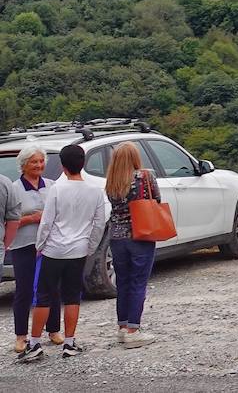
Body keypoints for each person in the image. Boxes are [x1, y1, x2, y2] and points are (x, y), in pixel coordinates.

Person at [17, 144, 107, 363]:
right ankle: (69, 342)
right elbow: (99, 224)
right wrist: (90, 247)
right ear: (83, 164)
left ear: (63, 166)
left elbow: (47, 222)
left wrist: (40, 246)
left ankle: (35, 343)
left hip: (54, 249)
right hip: (78, 249)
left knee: (44, 297)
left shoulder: (57, 189)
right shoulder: (95, 191)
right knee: (73, 296)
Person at [6, 146, 63, 354]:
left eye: (41, 161)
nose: (39, 165)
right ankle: (21, 336)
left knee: (52, 288)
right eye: (34, 162)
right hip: (24, 245)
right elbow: (7, 220)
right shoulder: (13, 190)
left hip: (49, 246)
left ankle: (54, 330)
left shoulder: (51, 186)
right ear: (23, 165)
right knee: (24, 289)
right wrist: (31, 218)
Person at [105, 142, 161, 347]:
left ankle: (122, 326)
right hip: (140, 234)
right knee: (139, 281)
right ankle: (133, 329)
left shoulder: (111, 182)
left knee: (123, 282)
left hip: (116, 237)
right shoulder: (144, 176)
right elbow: (156, 199)